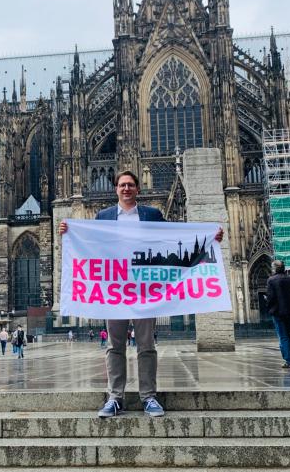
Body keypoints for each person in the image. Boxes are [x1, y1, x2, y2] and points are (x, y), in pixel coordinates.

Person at [59, 170, 223, 419]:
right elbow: (91, 245)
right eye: (122, 185)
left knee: (146, 346)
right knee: (115, 347)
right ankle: (115, 398)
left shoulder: (151, 214)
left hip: (146, 291)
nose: (126, 189)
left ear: (137, 189)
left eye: (131, 185)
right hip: (114, 291)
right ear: (116, 189)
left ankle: (149, 397)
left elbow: (172, 241)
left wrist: (209, 238)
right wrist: (68, 231)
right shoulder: (103, 217)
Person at [266, 259, 290, 369]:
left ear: (274, 269)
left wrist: (269, 309)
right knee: (287, 335)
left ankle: (289, 360)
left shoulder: (271, 280)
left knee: (283, 337)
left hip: (278, 313)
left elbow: (270, 298)